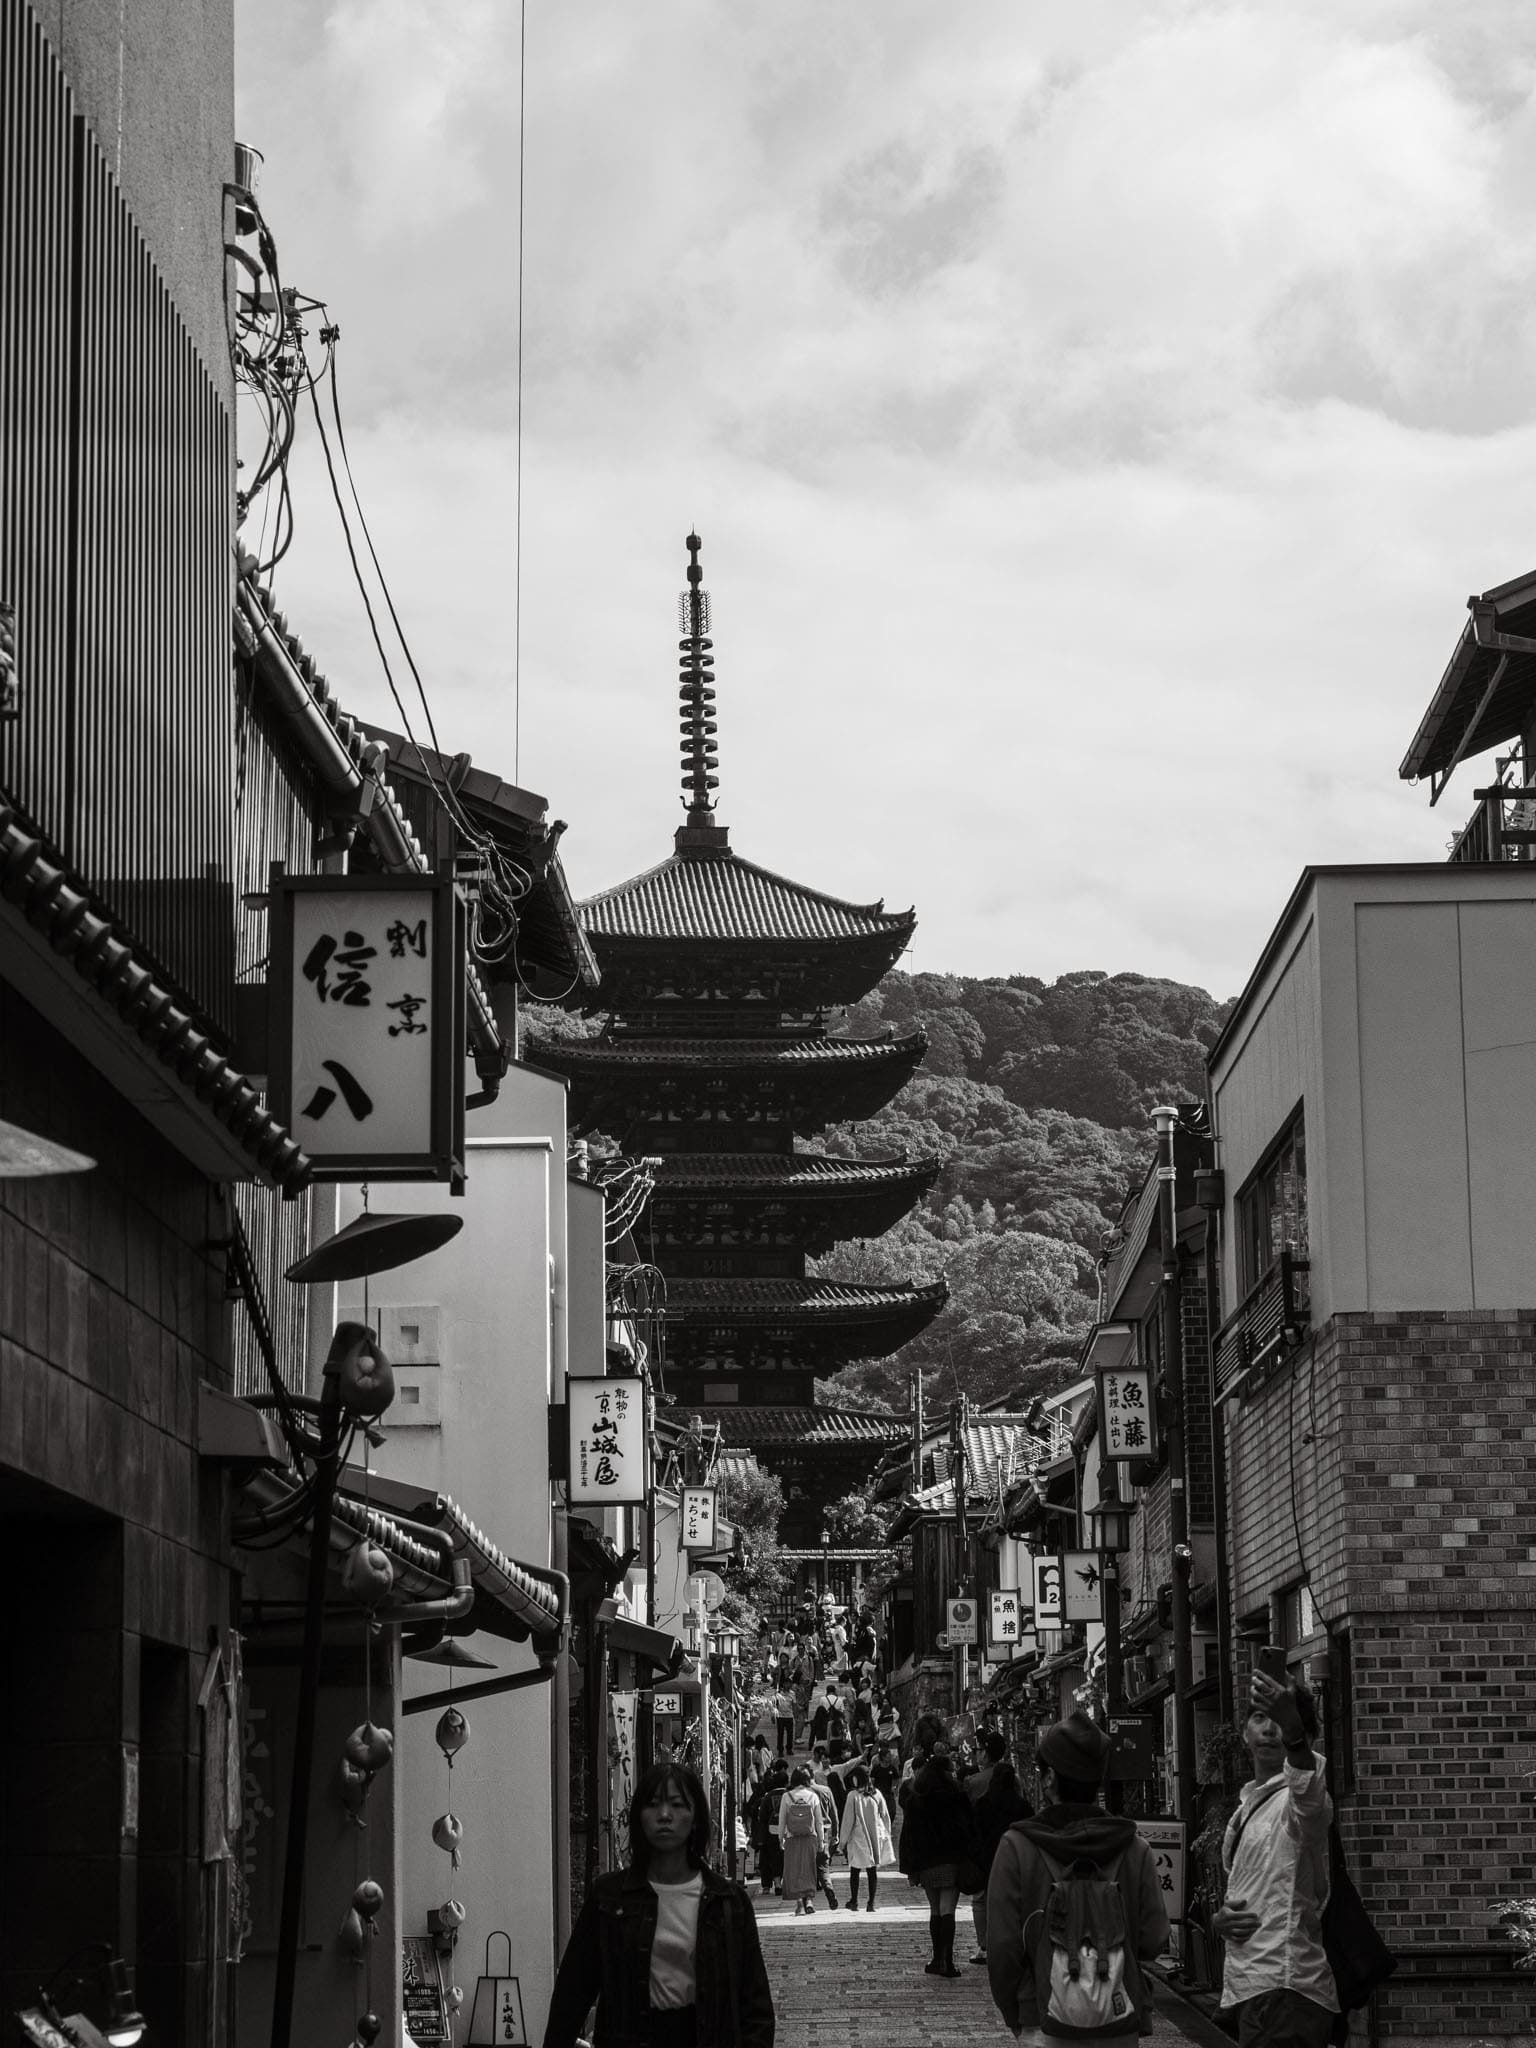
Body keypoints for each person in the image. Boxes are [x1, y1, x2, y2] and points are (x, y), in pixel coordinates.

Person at [544, 1757, 775, 2048]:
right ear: (639, 1815)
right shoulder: (609, 1898)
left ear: (695, 1817)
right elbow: (573, 1993)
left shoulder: (728, 1901)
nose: (664, 1815)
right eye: (653, 1804)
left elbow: (755, 2005)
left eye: (677, 1805)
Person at [985, 1709, 1168, 2046]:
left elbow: (1001, 1947)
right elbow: (1154, 1938)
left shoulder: (1018, 1846)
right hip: (1118, 2016)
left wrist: (1016, 2013)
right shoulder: (1134, 1847)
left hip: (1042, 2016)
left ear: (1050, 1778)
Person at [1215, 1669, 1338, 2048]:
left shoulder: (1302, 1804)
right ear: (1244, 1734)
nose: (1270, 1729)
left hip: (1286, 1986)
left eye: (1281, 1721)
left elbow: (1306, 1789)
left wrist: (1294, 1731)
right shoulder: (1246, 1807)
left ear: (1306, 1736)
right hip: (1254, 1987)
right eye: (1259, 1717)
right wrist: (1220, 1919)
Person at [898, 1735, 983, 1979]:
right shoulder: (956, 1796)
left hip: (927, 1862)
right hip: (952, 1860)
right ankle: (947, 1961)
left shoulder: (917, 1799)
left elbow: (909, 1835)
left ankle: (937, 1958)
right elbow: (968, 1828)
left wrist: (911, 1867)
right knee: (948, 1910)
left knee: (935, 1909)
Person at [967, 1731, 1032, 1965]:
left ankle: (984, 1945)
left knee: (981, 1898)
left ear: (986, 1752)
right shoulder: (1016, 1782)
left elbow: (970, 1819)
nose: (978, 1754)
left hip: (986, 1849)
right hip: (1013, 1848)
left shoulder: (974, 1783)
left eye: (980, 1750)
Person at [838, 1763, 894, 1912]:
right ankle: (871, 1903)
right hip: (874, 1836)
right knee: (872, 1870)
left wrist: (841, 1842)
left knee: (855, 1870)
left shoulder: (853, 1796)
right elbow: (885, 1816)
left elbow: (848, 1820)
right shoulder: (877, 1794)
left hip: (858, 1837)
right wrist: (887, 1834)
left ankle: (854, 1901)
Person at [778, 1764, 826, 1916]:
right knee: (809, 1869)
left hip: (792, 1838)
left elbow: (782, 1819)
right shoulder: (813, 1796)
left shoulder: (787, 1796)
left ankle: (799, 1901)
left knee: (794, 1870)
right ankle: (809, 1900)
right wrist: (821, 1840)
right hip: (810, 1837)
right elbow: (819, 1821)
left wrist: (781, 1837)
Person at [753, 1757, 789, 1896]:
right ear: (786, 1783)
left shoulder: (768, 1797)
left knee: (768, 1858)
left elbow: (762, 1817)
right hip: (786, 1831)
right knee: (782, 1857)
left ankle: (767, 1886)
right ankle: (780, 1882)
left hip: (770, 1831)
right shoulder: (789, 1795)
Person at [772, 1684, 795, 1759]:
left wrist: (794, 1714)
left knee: (790, 1734)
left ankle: (789, 1749)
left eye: (789, 1685)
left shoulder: (792, 1694)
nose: (787, 1686)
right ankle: (780, 1750)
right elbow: (774, 1705)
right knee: (780, 1734)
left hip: (789, 1716)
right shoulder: (778, 1694)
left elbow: (794, 1704)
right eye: (786, 1684)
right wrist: (773, 1715)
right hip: (780, 1716)